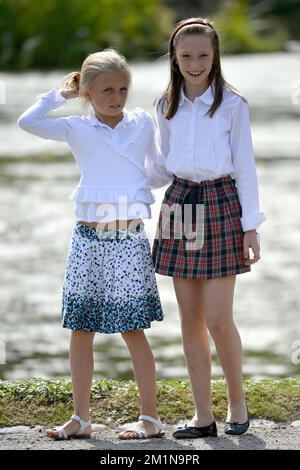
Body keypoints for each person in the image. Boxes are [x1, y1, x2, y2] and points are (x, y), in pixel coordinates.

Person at [17, 48, 171, 441]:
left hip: (127, 240)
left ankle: (150, 418)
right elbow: (27, 121)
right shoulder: (76, 128)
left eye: (122, 89)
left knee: (133, 329)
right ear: (87, 92)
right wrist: (60, 95)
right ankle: (81, 419)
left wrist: (139, 184)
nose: (116, 97)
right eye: (106, 90)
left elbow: (156, 172)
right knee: (80, 328)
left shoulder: (141, 124)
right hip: (86, 240)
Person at [152, 18, 266, 438]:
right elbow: (161, 166)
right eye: (186, 56)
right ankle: (203, 417)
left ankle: (238, 404)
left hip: (221, 203)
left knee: (219, 319)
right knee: (190, 321)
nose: (194, 63)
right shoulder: (165, 104)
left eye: (202, 55)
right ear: (174, 58)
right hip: (180, 203)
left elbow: (246, 167)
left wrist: (250, 226)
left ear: (215, 55)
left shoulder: (233, 104)